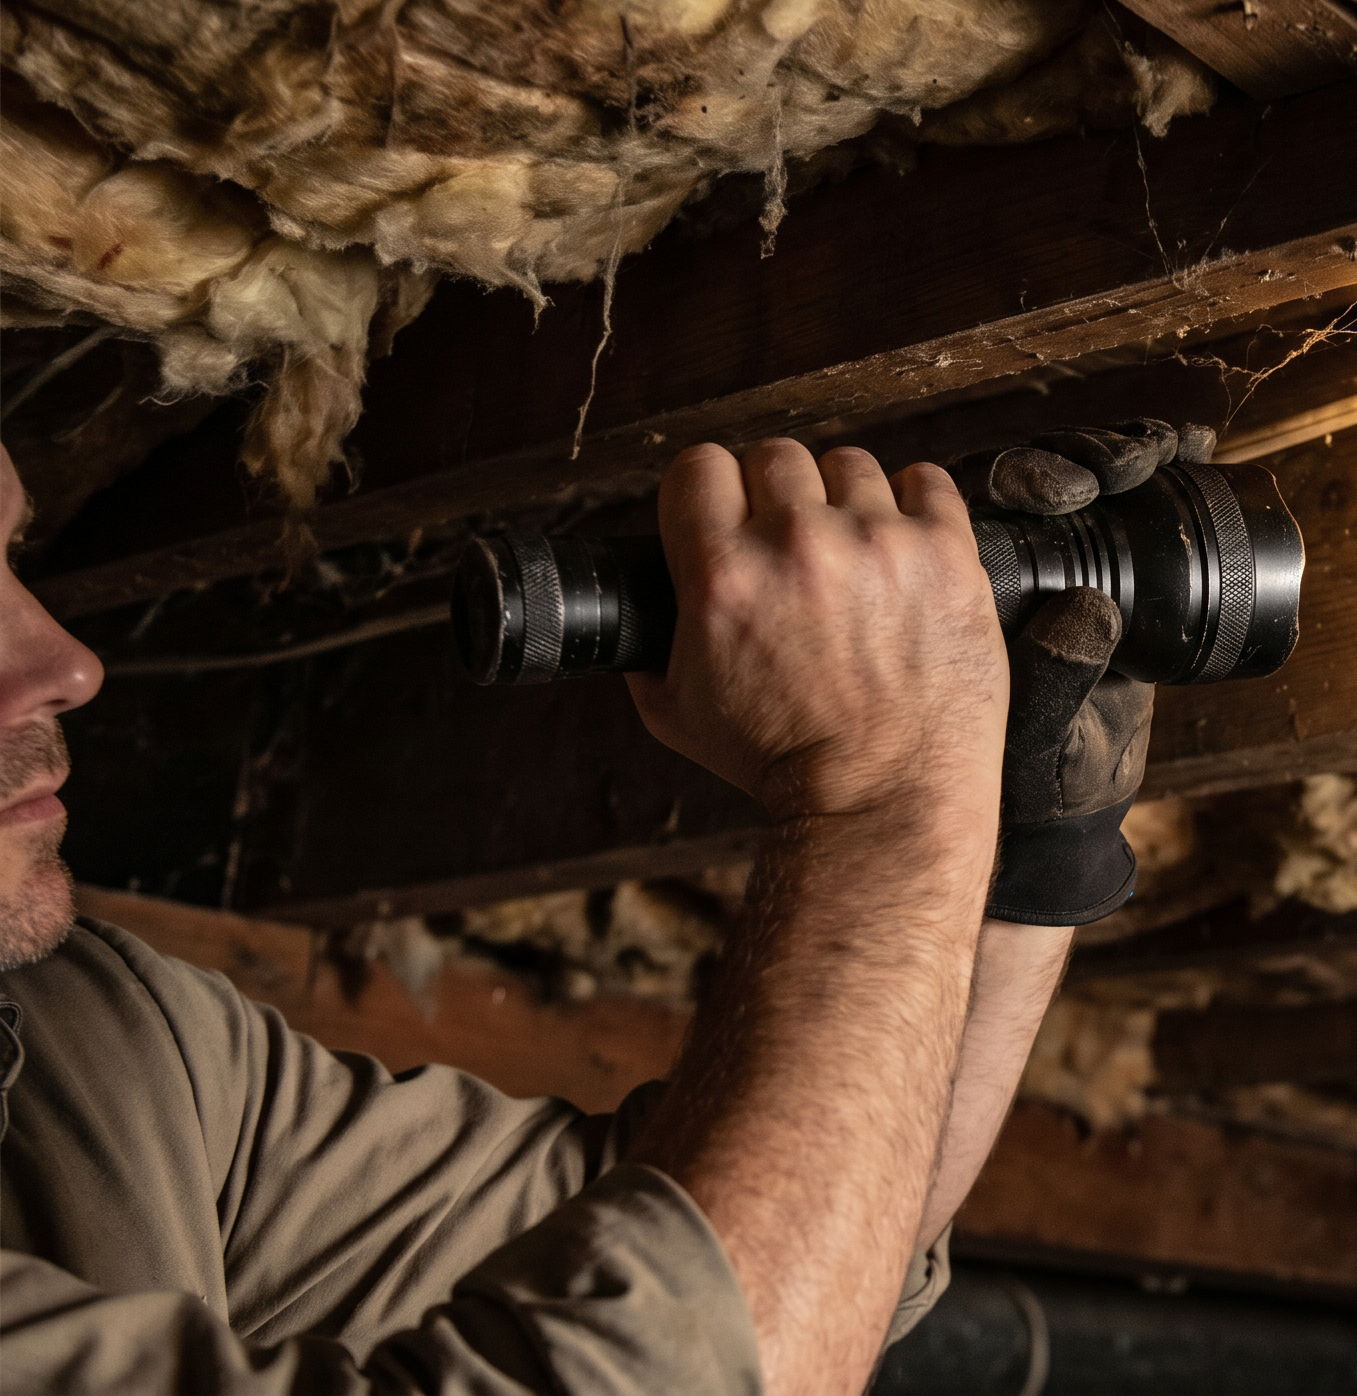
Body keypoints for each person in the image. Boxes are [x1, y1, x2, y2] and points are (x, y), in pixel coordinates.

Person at [0, 421, 1194, 1393]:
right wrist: (880, 797)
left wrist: (1021, 856)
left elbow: (768, 1254)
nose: (65, 664)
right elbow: (709, 1346)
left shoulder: (90, 1044)